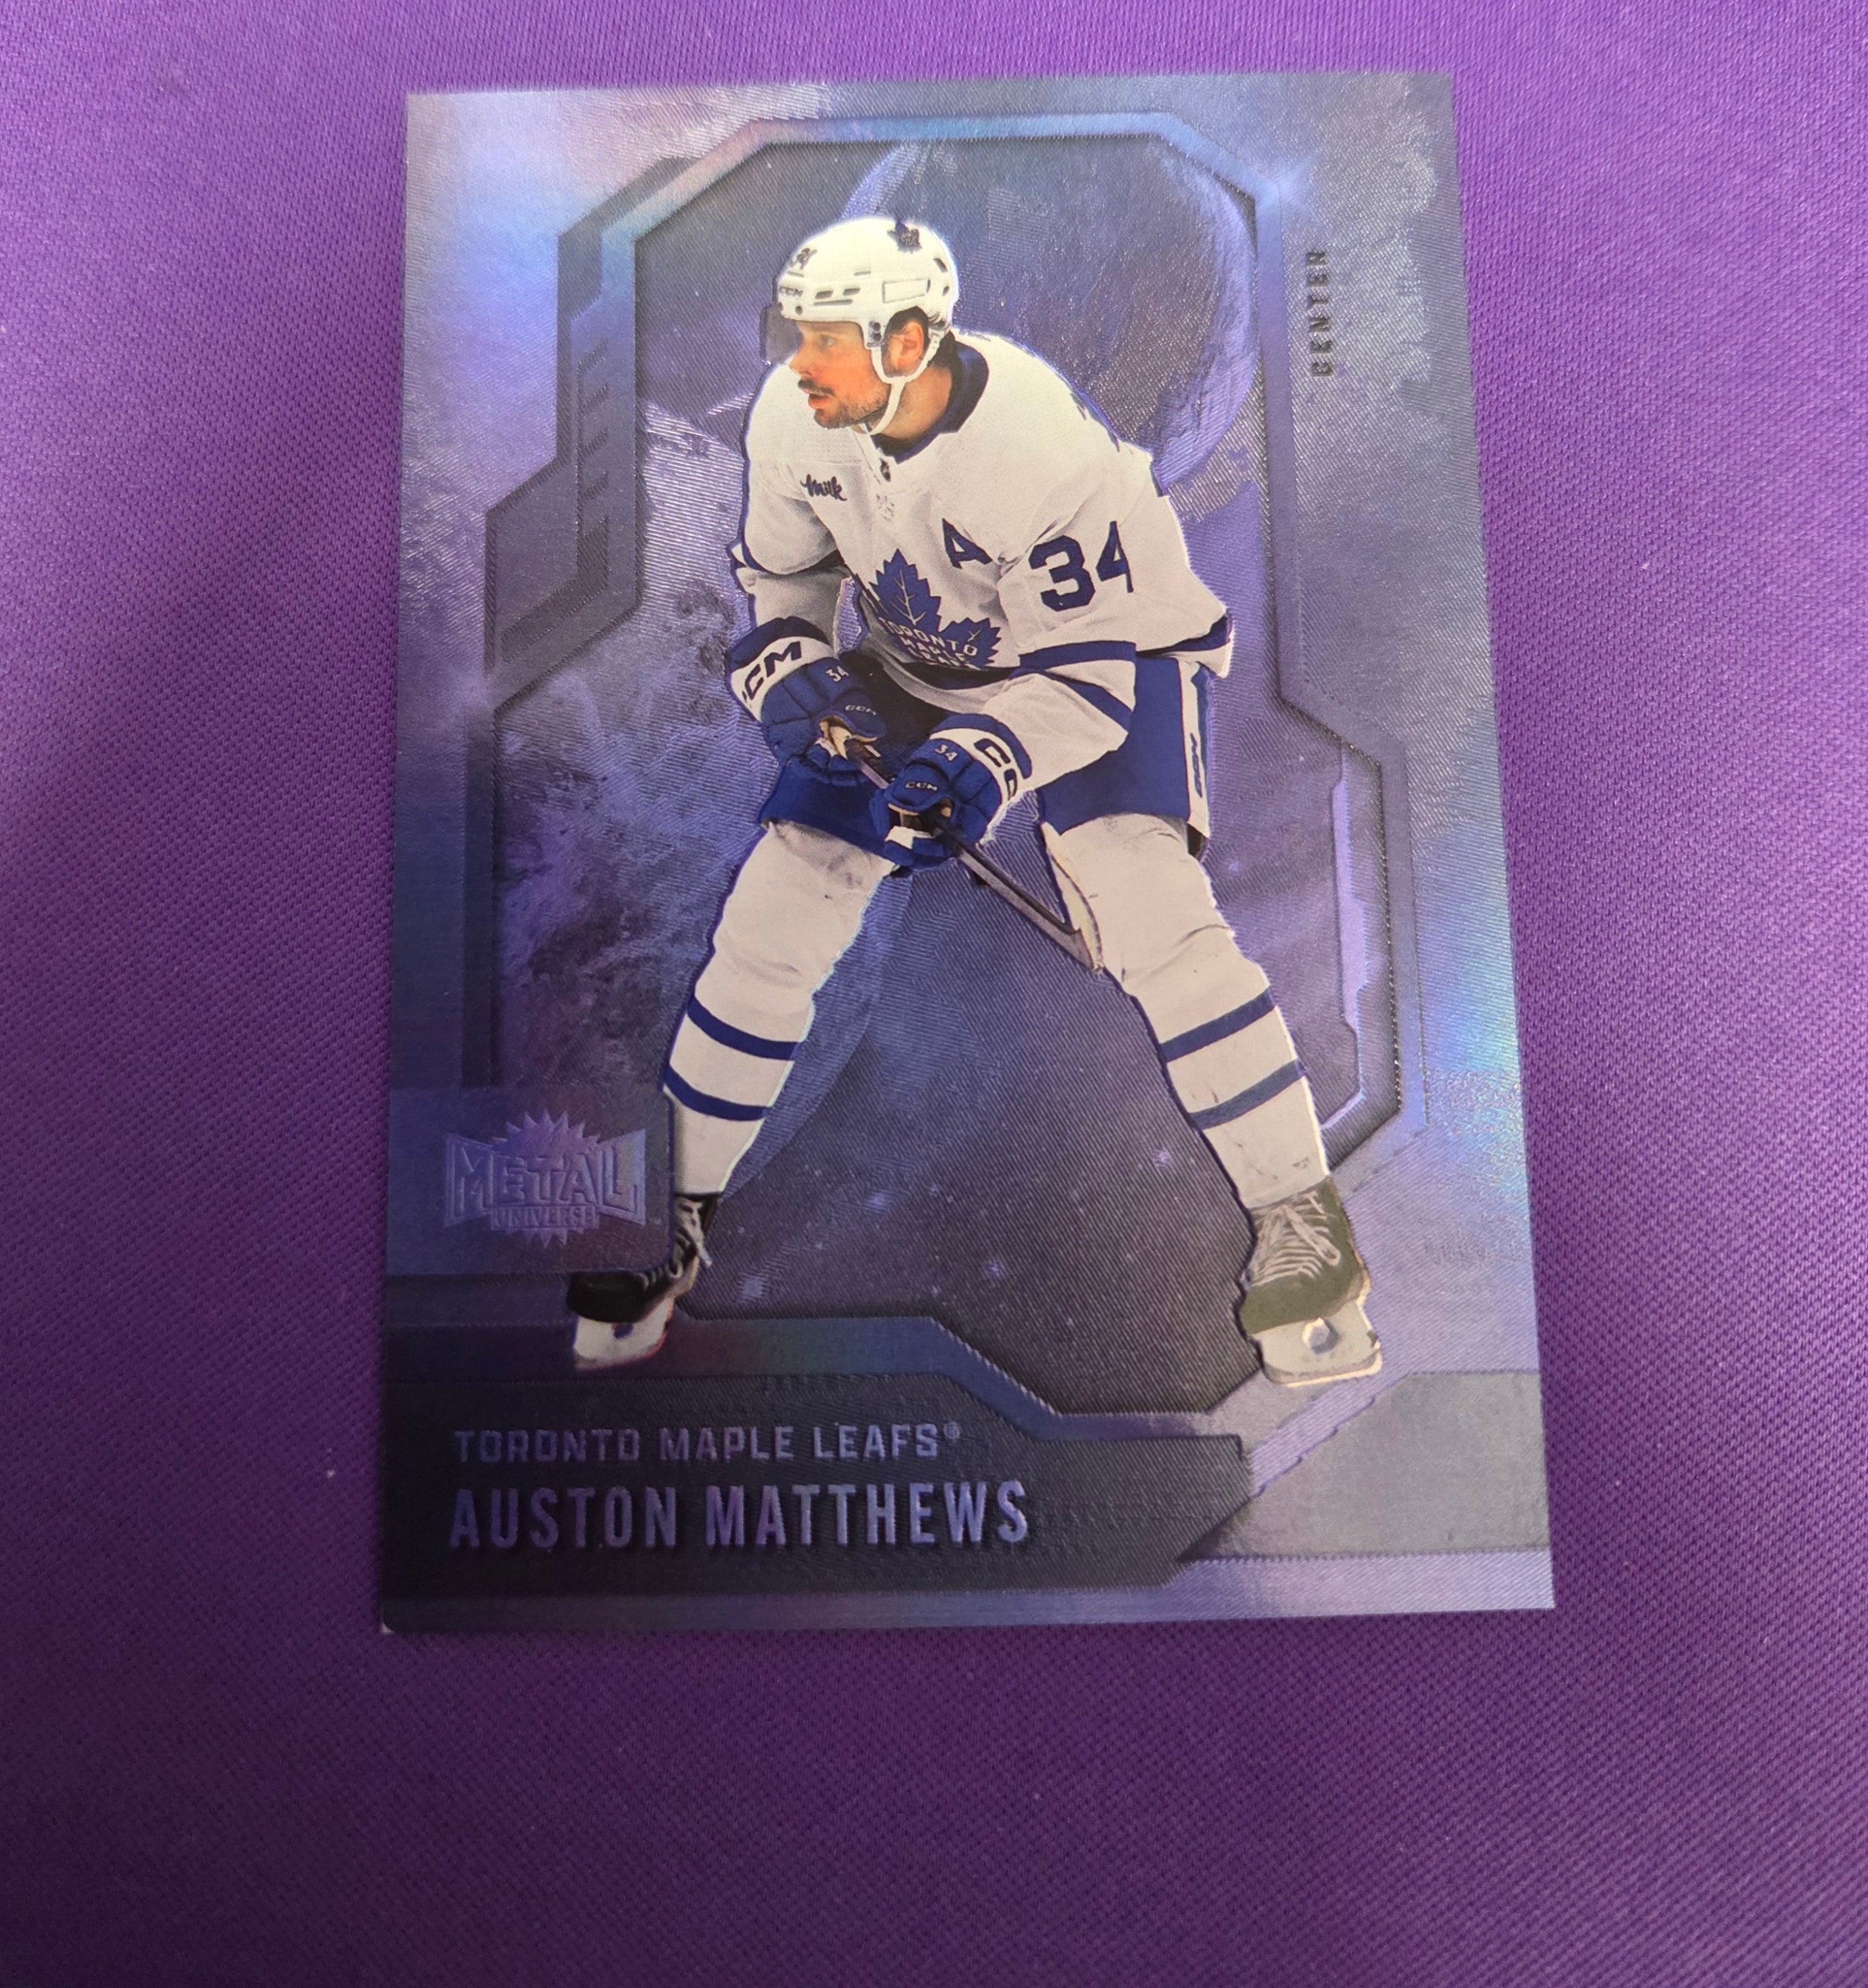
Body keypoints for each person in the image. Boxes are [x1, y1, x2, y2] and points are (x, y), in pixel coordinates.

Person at [567, 214, 1379, 1391]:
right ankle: (674, 1207)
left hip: (1110, 662)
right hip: (920, 659)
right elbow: (785, 575)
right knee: (785, 900)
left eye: (827, 338)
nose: (797, 360)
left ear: (907, 341)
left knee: (1145, 901)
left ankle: (1299, 1212)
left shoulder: (1038, 447)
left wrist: (981, 761)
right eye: (796, 333)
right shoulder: (793, 413)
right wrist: (790, 666)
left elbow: (1087, 680)